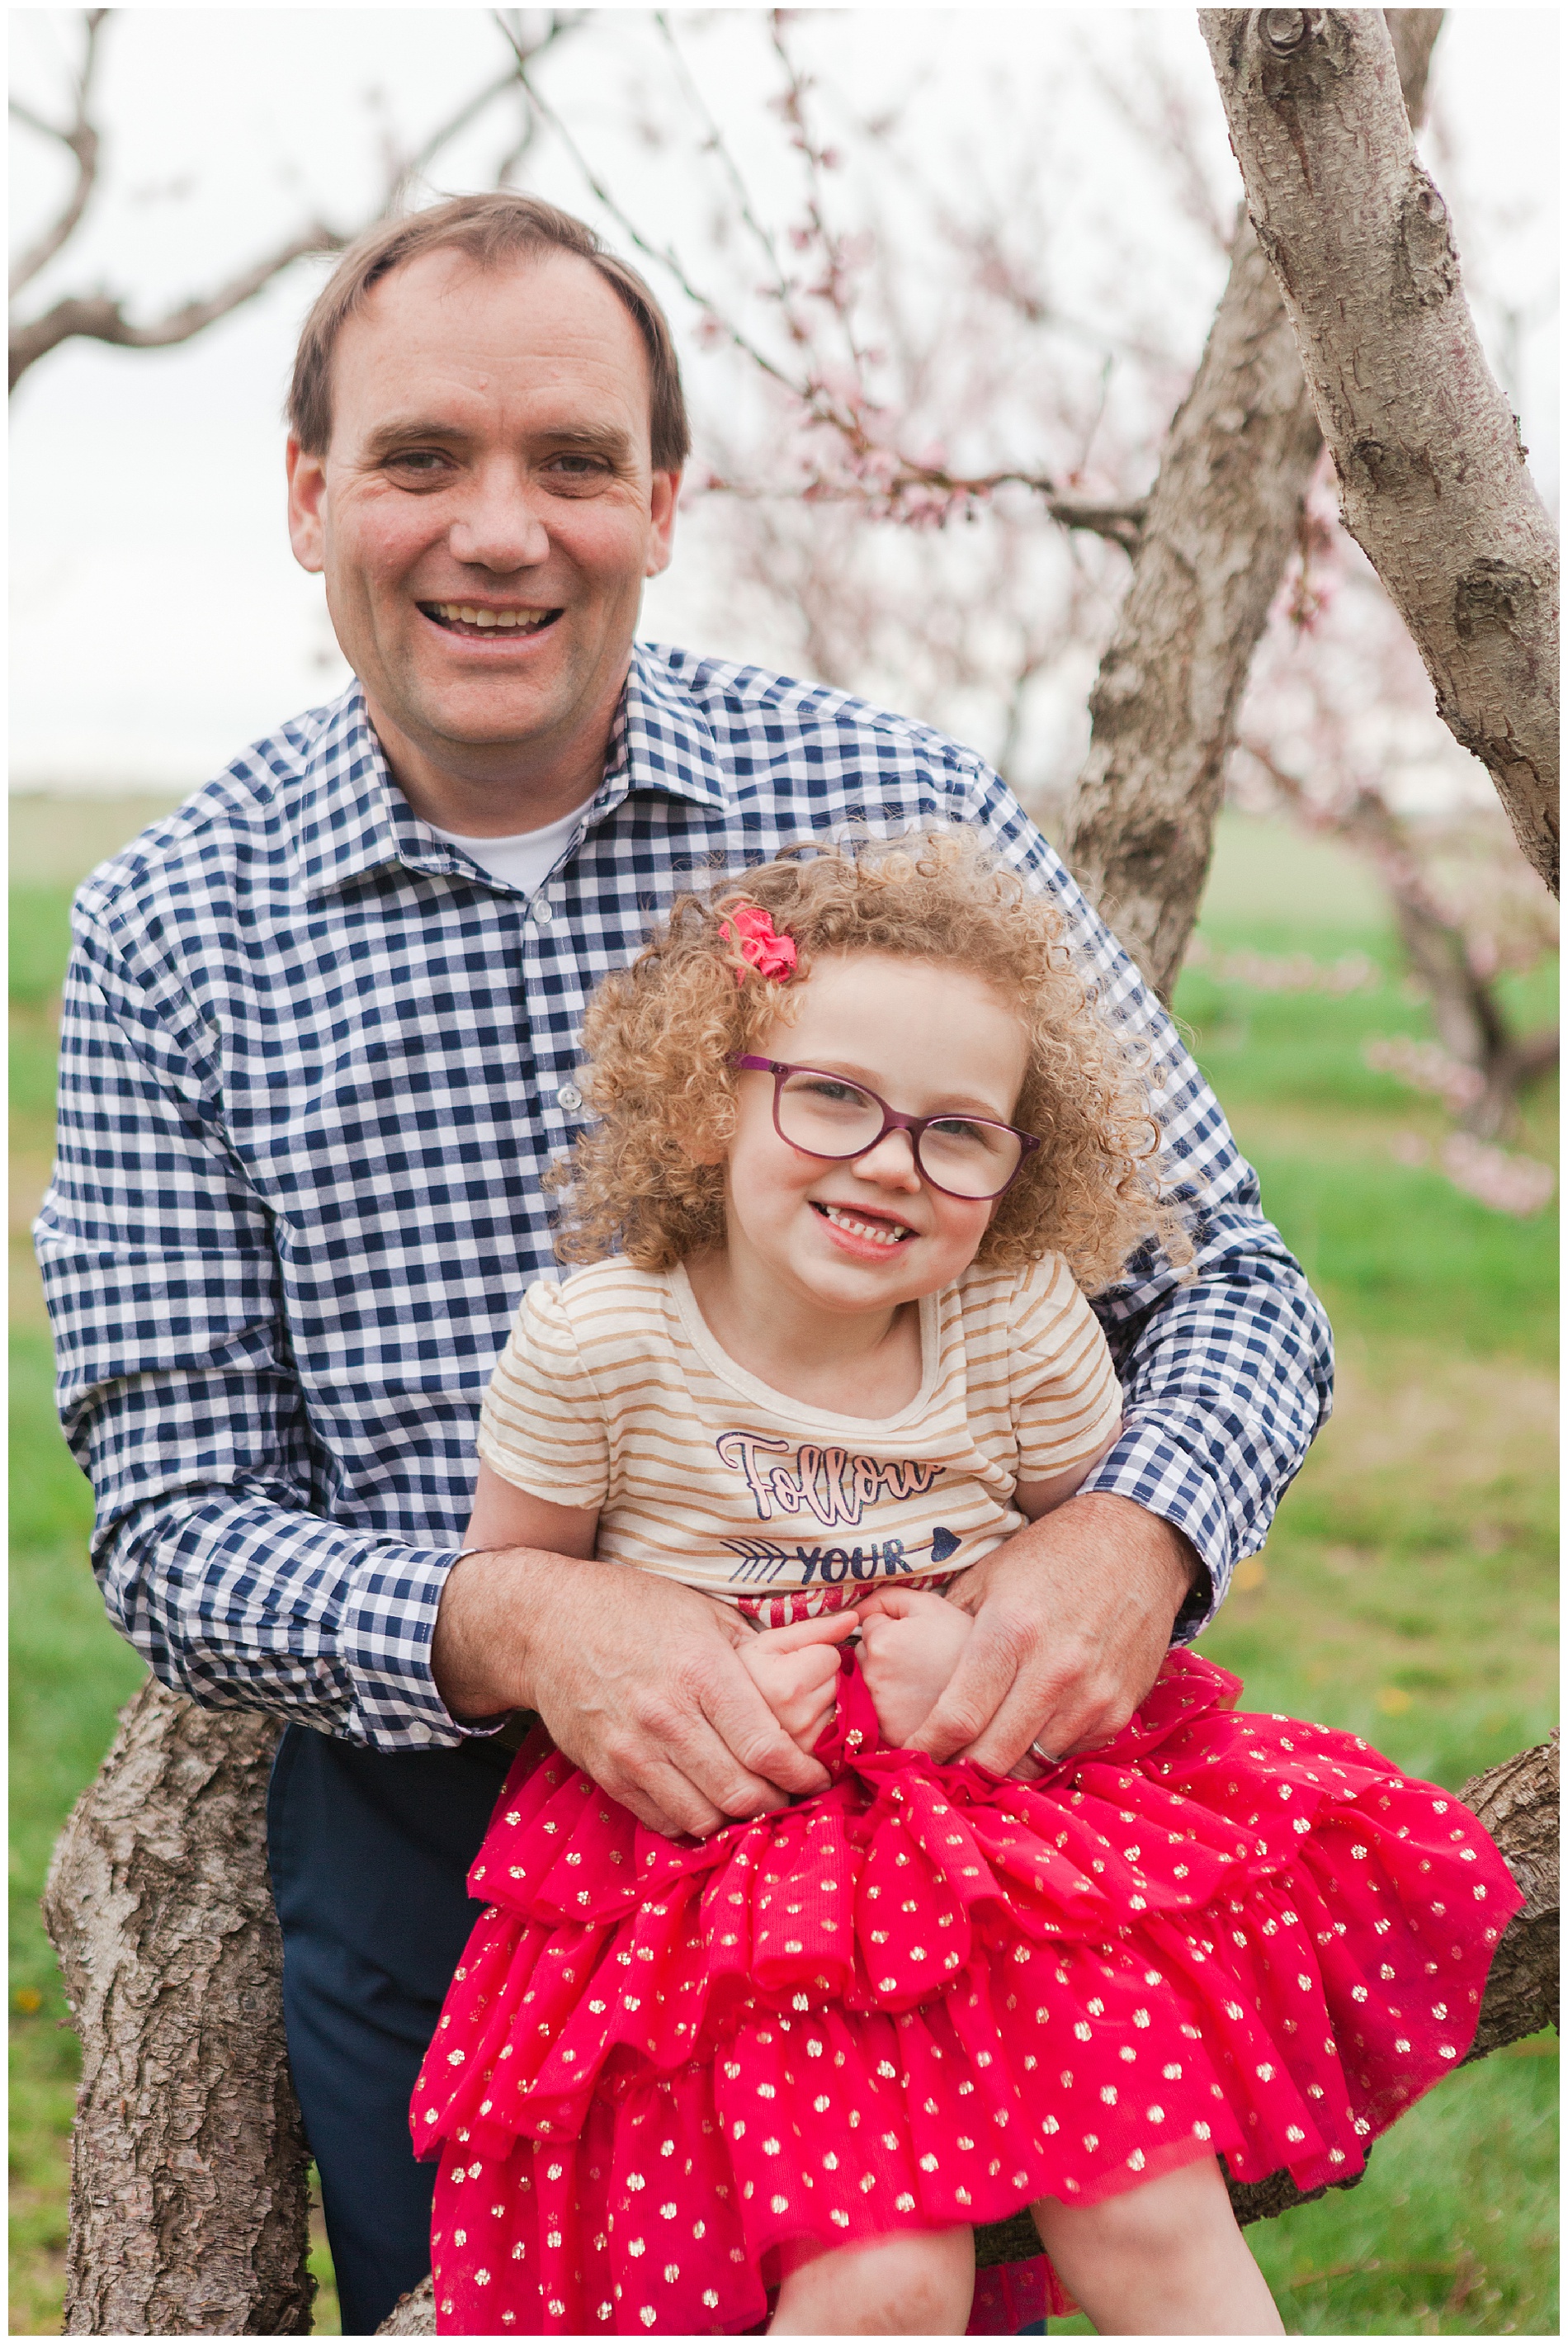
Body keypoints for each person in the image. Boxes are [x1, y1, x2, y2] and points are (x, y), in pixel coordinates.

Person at [37, 193, 1338, 2334]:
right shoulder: (177, 935)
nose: (498, 532)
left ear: (660, 499)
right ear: (307, 497)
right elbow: (177, 1535)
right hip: (465, 1850)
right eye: (419, 460)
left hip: (935, 1808)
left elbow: (1226, 1292)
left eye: (568, 463)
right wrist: (533, 1618)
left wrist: (1122, 1549)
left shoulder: (886, 813)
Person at [412, 835, 1519, 2338]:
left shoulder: (1013, 1329)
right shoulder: (600, 1346)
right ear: (708, 1098)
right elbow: (522, 1596)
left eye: (960, 1133)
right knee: (879, 2277)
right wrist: (698, 1672)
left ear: (1018, 1168)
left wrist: (979, 1634)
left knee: (1148, 2215)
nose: (890, 1160)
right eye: (832, 1098)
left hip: (1002, 1828)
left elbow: (1087, 1576)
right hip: (723, 1863)